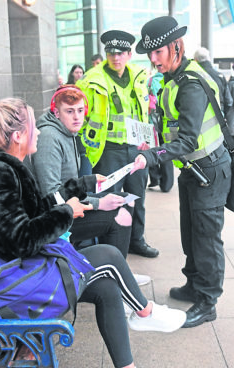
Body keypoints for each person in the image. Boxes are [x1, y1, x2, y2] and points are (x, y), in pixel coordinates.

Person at [0, 98, 186, 368]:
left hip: (10, 271)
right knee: (108, 255)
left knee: (107, 289)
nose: (39, 131)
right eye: (34, 127)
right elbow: (20, 239)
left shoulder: (2, 167)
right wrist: (66, 211)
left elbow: (31, 214)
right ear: (18, 136)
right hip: (3, 282)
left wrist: (81, 186)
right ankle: (145, 313)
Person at [132, 16, 232, 328]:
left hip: (209, 170)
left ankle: (207, 300)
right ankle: (193, 283)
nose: (153, 59)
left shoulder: (190, 83)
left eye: (158, 52)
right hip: (193, 169)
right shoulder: (175, 78)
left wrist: (151, 156)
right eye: (150, 54)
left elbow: (188, 138)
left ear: (176, 47)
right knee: (191, 233)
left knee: (206, 237)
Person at [31, 85, 151, 285]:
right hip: (52, 220)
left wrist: (94, 196)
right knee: (119, 213)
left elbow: (68, 190)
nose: (77, 117)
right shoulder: (49, 138)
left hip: (69, 206)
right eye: (69, 111)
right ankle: (117, 280)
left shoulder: (68, 133)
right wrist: (97, 204)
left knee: (125, 201)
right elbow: (50, 197)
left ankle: (119, 270)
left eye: (80, 110)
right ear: (56, 112)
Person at [77, 30, 159, 258]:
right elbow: (81, 117)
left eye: (121, 53)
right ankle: (108, 247)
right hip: (107, 150)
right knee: (109, 200)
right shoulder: (92, 80)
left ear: (129, 54)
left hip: (135, 148)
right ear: (106, 54)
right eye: (111, 53)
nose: (116, 57)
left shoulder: (139, 76)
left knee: (138, 197)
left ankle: (136, 241)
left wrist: (147, 141)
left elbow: (143, 112)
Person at [146, 71, 174, 192]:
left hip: (152, 122)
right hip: (166, 123)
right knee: (165, 151)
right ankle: (167, 184)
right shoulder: (173, 81)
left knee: (151, 150)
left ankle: (155, 178)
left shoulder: (150, 81)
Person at [194, 47, 233, 118]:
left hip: (198, 114)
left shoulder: (192, 76)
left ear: (195, 60)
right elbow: (229, 101)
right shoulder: (219, 76)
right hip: (218, 113)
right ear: (209, 58)